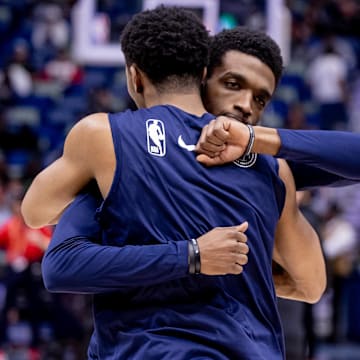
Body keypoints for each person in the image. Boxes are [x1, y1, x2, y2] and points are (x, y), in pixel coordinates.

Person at [21, 7, 325, 359]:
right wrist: (236, 275)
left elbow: (35, 213)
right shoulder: (271, 166)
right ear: (203, 74)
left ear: (134, 77)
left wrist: (101, 183)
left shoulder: (104, 137)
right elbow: (312, 285)